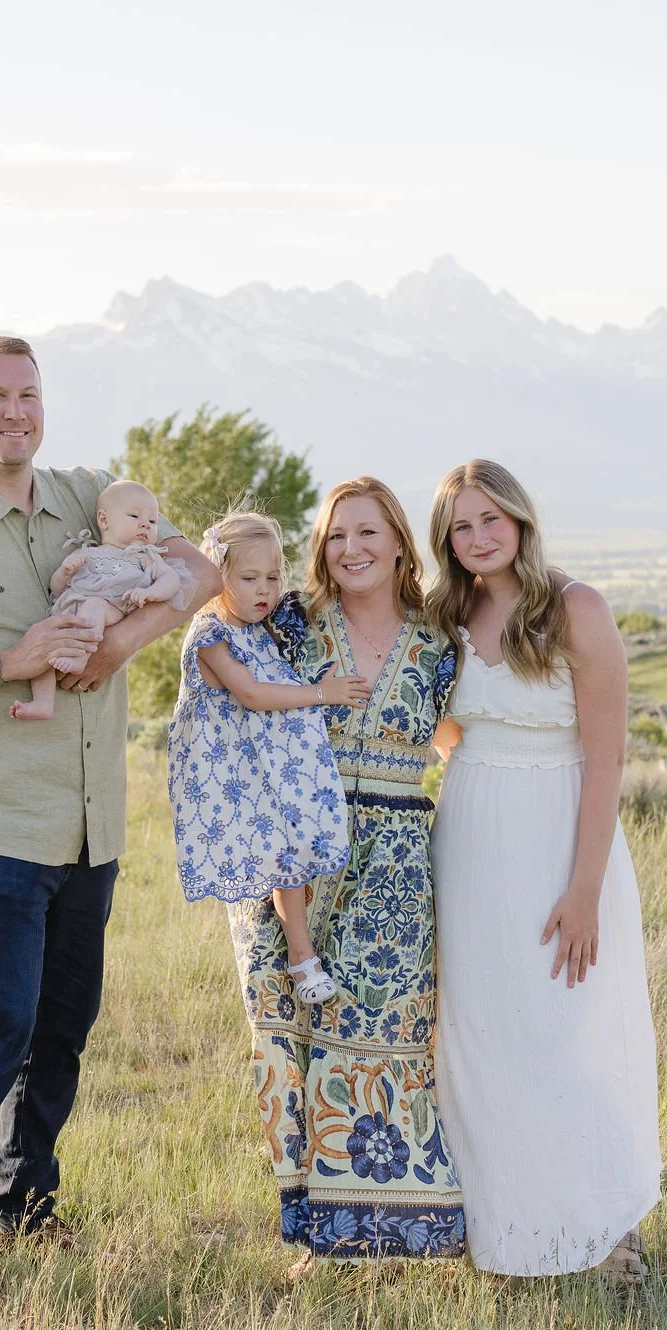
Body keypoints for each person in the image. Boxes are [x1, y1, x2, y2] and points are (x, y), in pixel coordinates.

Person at [0, 336, 220, 1311]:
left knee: (62, 1028)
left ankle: (28, 1197)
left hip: (91, 824)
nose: (14, 411)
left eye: (28, 394)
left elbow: (199, 564)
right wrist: (3, 665)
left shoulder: (89, 496)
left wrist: (120, 643)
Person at [424, 459, 662, 1279]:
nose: (479, 536)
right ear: (446, 541)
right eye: (463, 526)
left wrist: (585, 890)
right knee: (481, 1031)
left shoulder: (574, 608)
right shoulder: (444, 615)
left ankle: (598, 1228)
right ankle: (502, 1225)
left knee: (566, 1029)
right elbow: (449, 730)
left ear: (521, 522)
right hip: (469, 839)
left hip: (561, 838)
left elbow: (607, 759)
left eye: (492, 519)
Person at [241, 477, 467, 1266]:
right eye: (337, 536)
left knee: (390, 1039)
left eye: (368, 532)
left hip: (399, 865)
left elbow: (470, 732)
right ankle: (313, 1234)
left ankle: (392, 1231)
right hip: (295, 858)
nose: (352, 549)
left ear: (401, 542)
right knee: (293, 1044)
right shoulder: (292, 624)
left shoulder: (443, 637)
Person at [168, 511, 368, 1003]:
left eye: (273, 577)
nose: (265, 590)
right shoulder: (211, 634)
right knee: (285, 860)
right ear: (218, 578)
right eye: (249, 578)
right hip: (239, 776)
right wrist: (325, 693)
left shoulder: (261, 628)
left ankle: (305, 953)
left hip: (270, 767)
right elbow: (253, 695)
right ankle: (302, 960)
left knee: (294, 855)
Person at [10, 479, 196, 722]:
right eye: (134, 516)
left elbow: (171, 580)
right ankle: (43, 703)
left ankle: (80, 656)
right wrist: (66, 571)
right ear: (104, 520)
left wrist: (151, 593)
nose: (145, 524)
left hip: (113, 607)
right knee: (44, 645)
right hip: (71, 613)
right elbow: (56, 588)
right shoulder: (87, 552)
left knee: (94, 606)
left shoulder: (145, 556)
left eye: (152, 521)